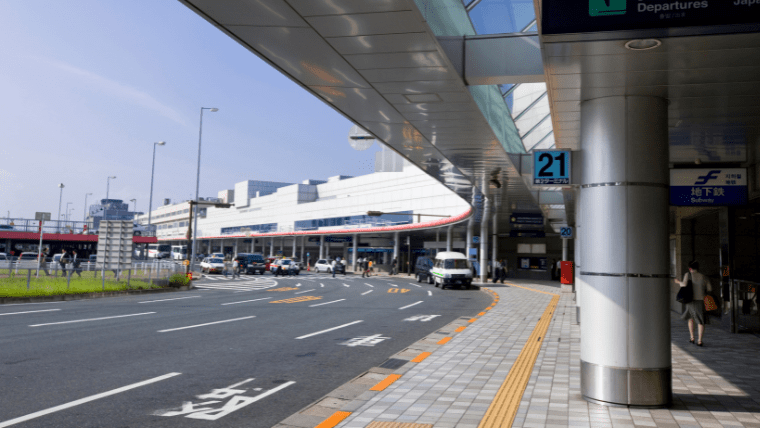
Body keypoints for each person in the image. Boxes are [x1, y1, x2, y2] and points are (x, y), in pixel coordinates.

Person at [675, 260, 712, 346]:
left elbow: (683, 284)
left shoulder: (688, 275)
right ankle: (700, 341)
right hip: (701, 301)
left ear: (690, 268)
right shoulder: (704, 277)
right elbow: (709, 289)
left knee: (691, 318)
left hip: (690, 301)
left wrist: (677, 282)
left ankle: (692, 338)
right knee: (700, 321)